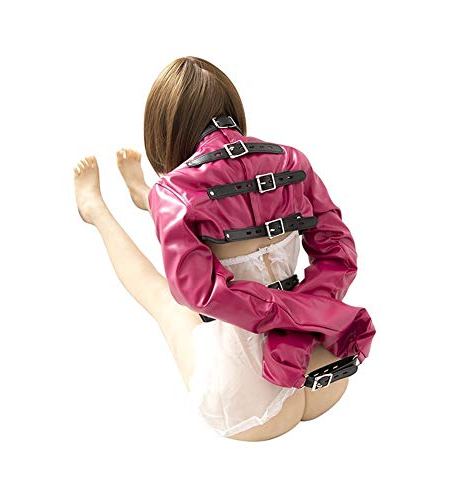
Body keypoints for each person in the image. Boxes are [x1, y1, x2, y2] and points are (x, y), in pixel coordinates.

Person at [73, 56, 375, 441]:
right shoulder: (292, 161)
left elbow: (197, 295)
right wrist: (301, 324)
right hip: (327, 375)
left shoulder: (176, 191)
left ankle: (95, 210)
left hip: (248, 403)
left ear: (167, 129)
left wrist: (285, 330)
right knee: (181, 224)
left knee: (165, 301)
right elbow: (340, 255)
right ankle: (145, 196)